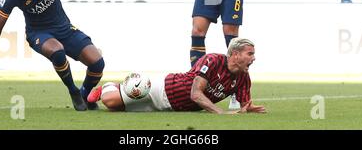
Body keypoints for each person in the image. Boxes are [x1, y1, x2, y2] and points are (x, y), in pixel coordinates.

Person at [87, 38, 266, 114]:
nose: (254, 58)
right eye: (249, 53)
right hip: (163, 90)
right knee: (110, 101)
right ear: (235, 54)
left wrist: (246, 109)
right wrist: (220, 112)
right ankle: (108, 86)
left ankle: (121, 90)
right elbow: (195, 94)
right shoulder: (212, 60)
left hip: (173, 108)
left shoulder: (243, 78)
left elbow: (245, 105)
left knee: (116, 110)